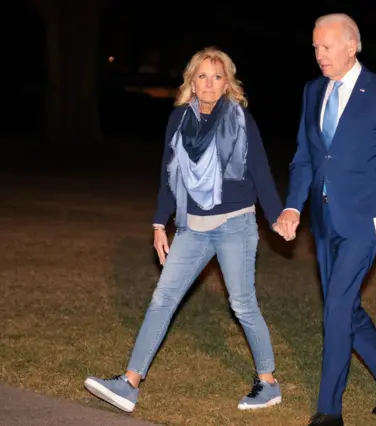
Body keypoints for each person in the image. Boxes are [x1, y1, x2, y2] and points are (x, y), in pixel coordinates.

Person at [84, 47, 285, 413]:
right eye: (202, 76)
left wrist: (276, 217)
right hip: (191, 226)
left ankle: (268, 383)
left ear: (228, 83)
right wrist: (160, 223)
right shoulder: (178, 120)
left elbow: (260, 170)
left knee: (242, 304)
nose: (209, 84)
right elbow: (168, 175)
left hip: (234, 223)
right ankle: (129, 383)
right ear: (192, 81)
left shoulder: (240, 119)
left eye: (217, 76)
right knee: (162, 299)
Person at [275, 13, 376, 426]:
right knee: (345, 307)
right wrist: (292, 206)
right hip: (323, 220)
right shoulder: (312, 91)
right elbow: (305, 157)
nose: (319, 55)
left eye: (327, 47)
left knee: (336, 308)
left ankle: (328, 411)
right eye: (316, 47)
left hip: (367, 221)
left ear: (351, 46)